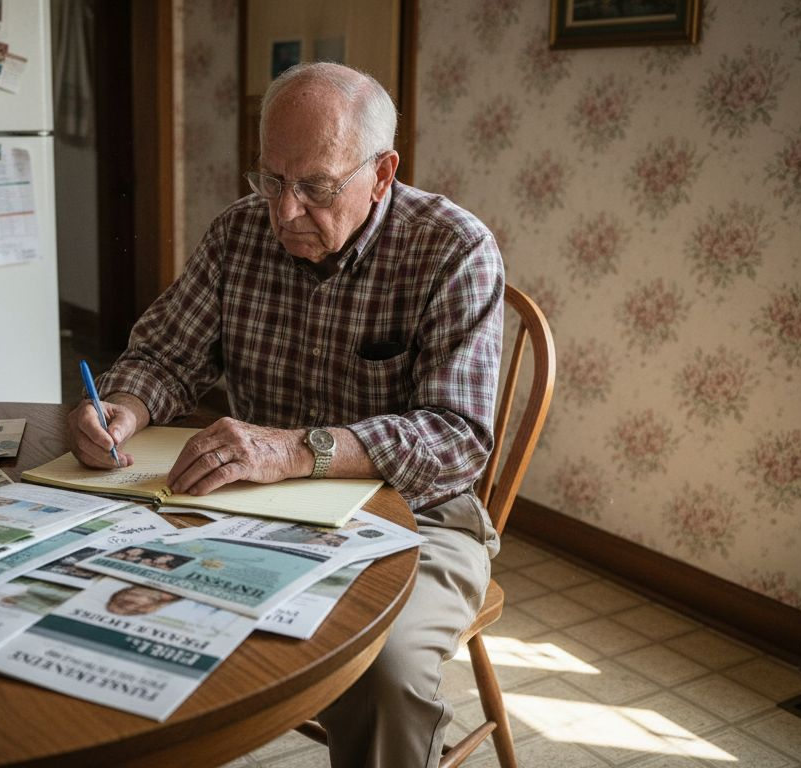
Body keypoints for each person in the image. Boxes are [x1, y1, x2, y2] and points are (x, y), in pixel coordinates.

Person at [66, 61, 503, 768]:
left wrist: (298, 451)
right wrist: (122, 407)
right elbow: (166, 356)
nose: (284, 212)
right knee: (102, 593)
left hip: (418, 519)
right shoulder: (238, 234)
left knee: (383, 669)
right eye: (271, 180)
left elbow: (457, 438)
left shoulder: (453, 248)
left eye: (316, 188)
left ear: (382, 173)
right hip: (255, 506)